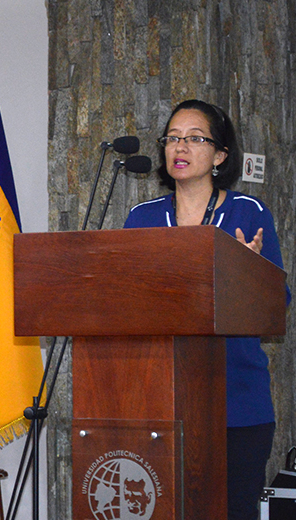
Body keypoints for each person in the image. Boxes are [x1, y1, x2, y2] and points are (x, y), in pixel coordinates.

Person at [124, 99, 291, 520]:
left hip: (237, 404)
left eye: (195, 138)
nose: (180, 147)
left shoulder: (247, 212)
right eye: (173, 138)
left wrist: (249, 272)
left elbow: (278, 304)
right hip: (159, 402)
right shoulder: (141, 219)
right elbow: (124, 300)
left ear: (220, 155)